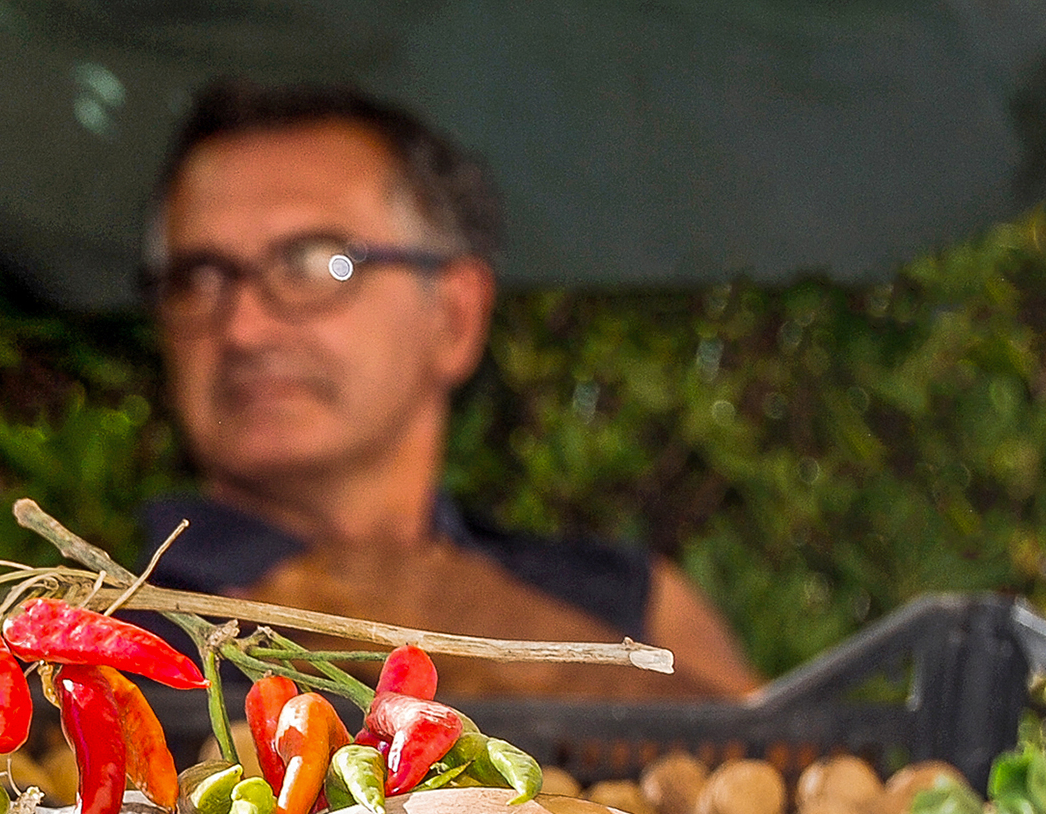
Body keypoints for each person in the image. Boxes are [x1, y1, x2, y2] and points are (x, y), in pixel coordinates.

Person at [134, 80, 759, 750]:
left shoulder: (633, 601)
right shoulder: (103, 638)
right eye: (198, 277)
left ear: (456, 316)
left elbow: (802, 786)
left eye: (315, 262)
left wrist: (480, 623)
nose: (243, 329)